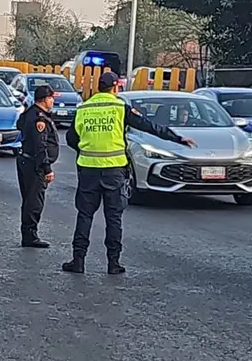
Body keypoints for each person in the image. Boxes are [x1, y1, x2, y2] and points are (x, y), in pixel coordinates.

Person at [63, 72, 196, 274]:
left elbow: (72, 138)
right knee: (113, 217)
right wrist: (176, 138)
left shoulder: (84, 108)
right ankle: (113, 263)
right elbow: (148, 126)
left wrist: (87, 150)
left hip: (89, 170)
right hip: (114, 171)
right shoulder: (120, 108)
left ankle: (78, 261)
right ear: (115, 87)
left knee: (85, 216)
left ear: (99, 87)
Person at [16, 85, 59, 248]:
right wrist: (47, 168)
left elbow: (20, 125)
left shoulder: (30, 113)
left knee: (29, 199)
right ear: (45, 99)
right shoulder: (39, 119)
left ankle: (28, 233)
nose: (53, 101)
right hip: (35, 164)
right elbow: (40, 146)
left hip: (26, 160)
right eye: (51, 98)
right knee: (34, 201)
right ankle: (30, 235)